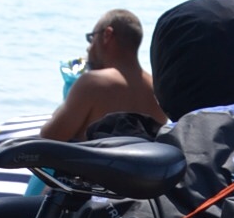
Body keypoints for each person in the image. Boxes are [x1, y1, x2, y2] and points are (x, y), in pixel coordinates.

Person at [40, 10, 165, 141]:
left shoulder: (92, 83)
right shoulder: (157, 91)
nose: (88, 48)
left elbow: (49, 136)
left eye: (92, 38)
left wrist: (67, 98)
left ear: (107, 35)